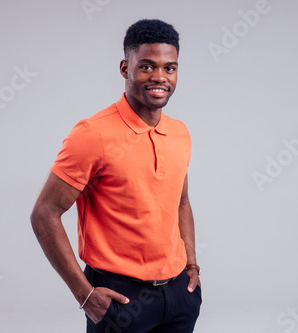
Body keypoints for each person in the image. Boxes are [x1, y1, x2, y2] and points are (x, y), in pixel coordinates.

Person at [31, 19, 201, 332]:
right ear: (125, 68)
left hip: (179, 296)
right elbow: (45, 213)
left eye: (170, 68)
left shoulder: (180, 132)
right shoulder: (92, 135)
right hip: (120, 299)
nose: (160, 77)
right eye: (147, 67)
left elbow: (181, 201)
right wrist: (84, 295)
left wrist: (191, 265)